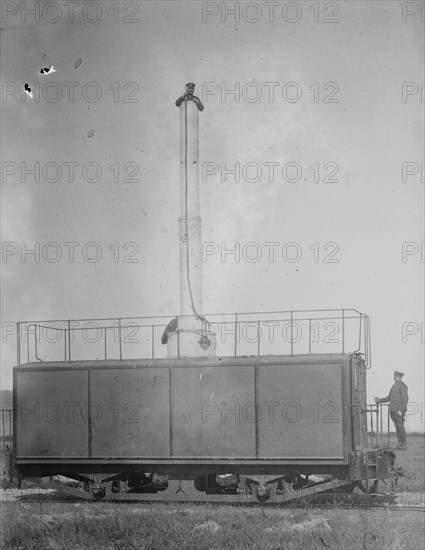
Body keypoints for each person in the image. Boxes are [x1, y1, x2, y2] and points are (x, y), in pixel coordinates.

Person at [374, 371, 409, 449]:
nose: (394, 377)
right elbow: (389, 398)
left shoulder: (403, 386)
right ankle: (399, 443)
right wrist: (379, 400)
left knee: (400, 426)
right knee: (397, 427)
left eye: (396, 376)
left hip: (399, 410)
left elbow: (405, 399)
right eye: (394, 376)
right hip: (393, 410)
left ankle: (404, 444)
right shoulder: (393, 386)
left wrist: (401, 410)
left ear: (400, 377)